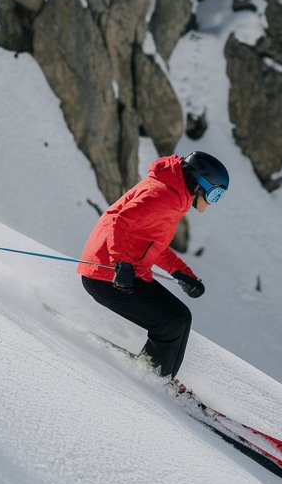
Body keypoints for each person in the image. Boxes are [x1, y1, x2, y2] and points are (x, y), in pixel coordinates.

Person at [78, 150, 229, 379]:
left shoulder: (173, 196)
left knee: (181, 317)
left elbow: (150, 242)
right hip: (106, 274)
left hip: (122, 271)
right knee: (171, 323)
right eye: (215, 195)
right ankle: (154, 377)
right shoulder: (163, 196)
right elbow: (120, 221)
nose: (213, 202)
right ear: (200, 184)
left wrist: (183, 273)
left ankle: (161, 376)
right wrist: (121, 262)